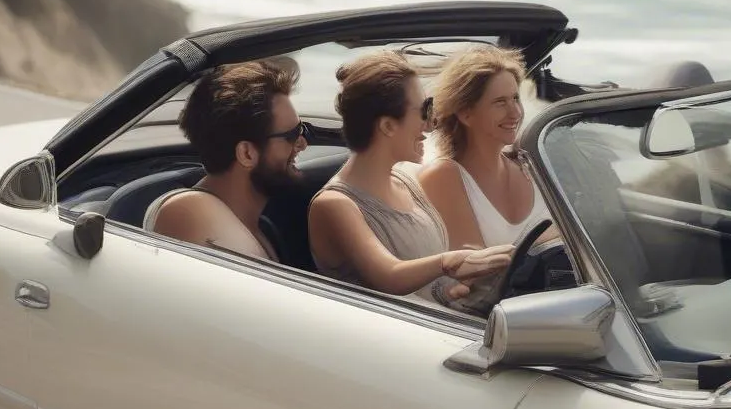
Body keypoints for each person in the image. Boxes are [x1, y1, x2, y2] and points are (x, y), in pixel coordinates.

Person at [308, 50, 512, 305]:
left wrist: (455, 286)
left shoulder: (407, 182)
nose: (430, 124)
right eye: (425, 110)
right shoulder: (335, 204)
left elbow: (427, 287)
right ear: (388, 126)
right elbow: (390, 276)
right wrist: (449, 262)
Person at [147, 59, 308, 260]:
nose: (303, 143)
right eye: (292, 135)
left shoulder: (259, 228)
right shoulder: (190, 210)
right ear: (247, 153)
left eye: (301, 129)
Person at [419, 44, 559, 251]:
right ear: (466, 114)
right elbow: (474, 273)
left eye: (515, 98)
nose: (515, 113)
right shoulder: (442, 175)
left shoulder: (530, 166)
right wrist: (549, 240)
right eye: (500, 102)